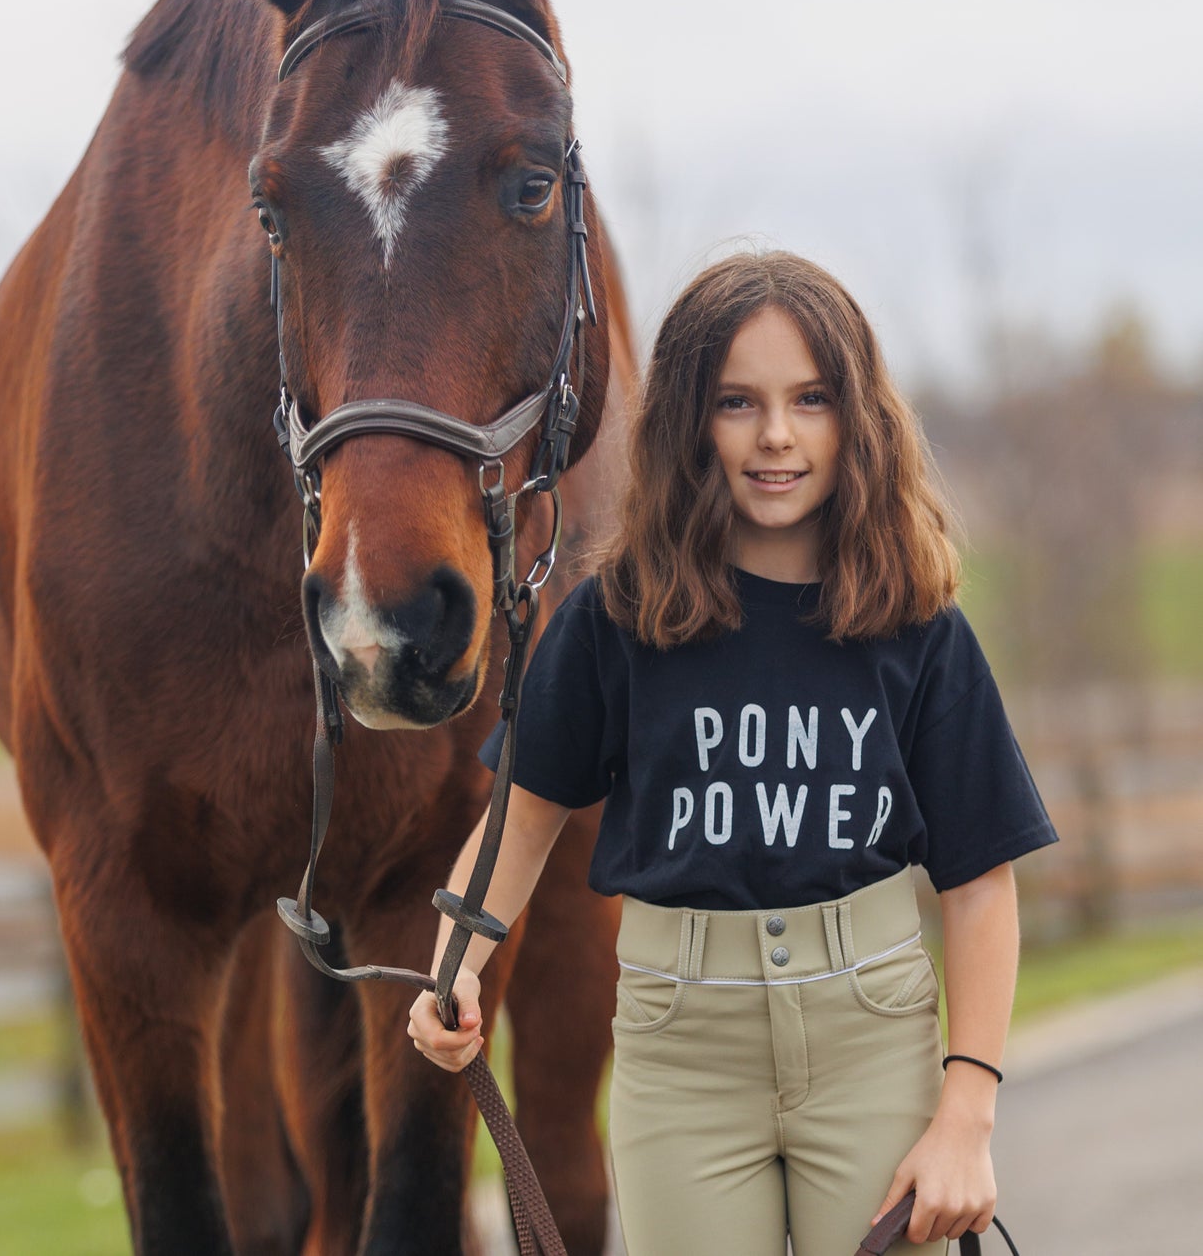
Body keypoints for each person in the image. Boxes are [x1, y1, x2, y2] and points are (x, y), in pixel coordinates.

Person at [408, 251, 1058, 1254]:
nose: (774, 435)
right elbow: (523, 817)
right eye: (734, 401)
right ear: (685, 421)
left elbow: (979, 881)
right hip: (681, 1049)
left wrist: (964, 1114)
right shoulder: (613, 618)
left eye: (809, 398)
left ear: (856, 416)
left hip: (871, 1035)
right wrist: (457, 963)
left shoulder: (916, 624)